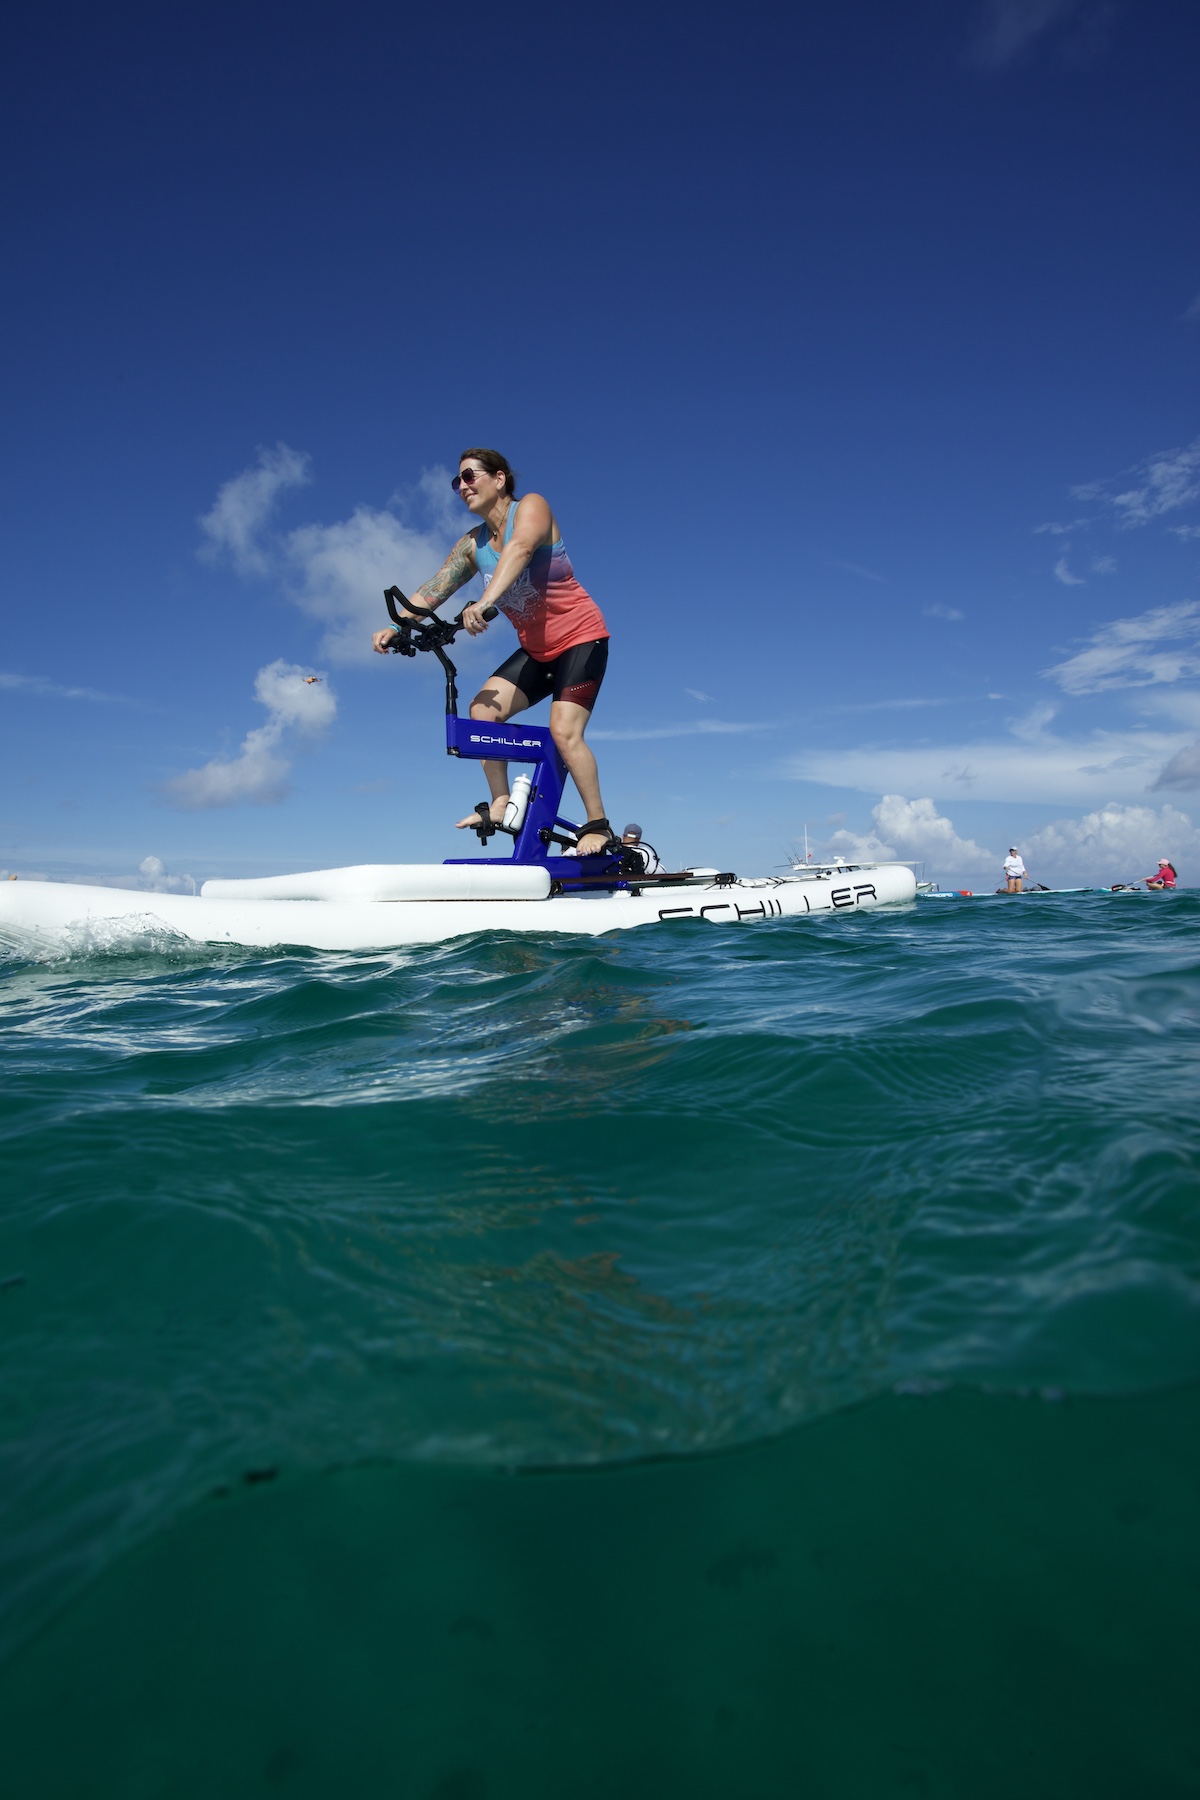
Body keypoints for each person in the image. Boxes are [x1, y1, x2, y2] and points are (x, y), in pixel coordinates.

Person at [372, 448, 614, 857]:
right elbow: (437, 586)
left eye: (469, 476)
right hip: (537, 651)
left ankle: (598, 826)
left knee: (563, 731)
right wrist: (399, 626)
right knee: (483, 713)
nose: (462, 486)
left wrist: (485, 603)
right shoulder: (472, 545)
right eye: (457, 481)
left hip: (580, 638)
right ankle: (502, 804)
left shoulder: (532, 507)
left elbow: (519, 551)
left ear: (499, 479)